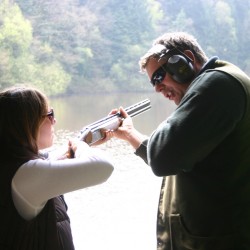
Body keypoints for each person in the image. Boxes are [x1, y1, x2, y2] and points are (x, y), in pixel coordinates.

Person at [103, 32, 250, 249]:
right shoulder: (217, 86)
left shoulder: (218, 84)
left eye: (158, 77)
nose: (157, 88)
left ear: (184, 62)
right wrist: (129, 134)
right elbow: (175, 156)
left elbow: (163, 157)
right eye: (153, 82)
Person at [0, 86, 114, 250]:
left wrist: (83, 144)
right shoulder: (27, 174)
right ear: (28, 122)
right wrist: (81, 146)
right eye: (50, 114)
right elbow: (104, 166)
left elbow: (47, 159)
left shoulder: (12, 164)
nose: (55, 121)